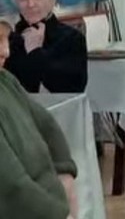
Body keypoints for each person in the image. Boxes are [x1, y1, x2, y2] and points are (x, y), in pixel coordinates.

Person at [0, 38, 79, 219]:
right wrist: (58, 214)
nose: (6, 52)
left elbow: (46, 124)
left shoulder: (5, 80)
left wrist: (65, 172)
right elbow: (11, 185)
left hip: (51, 200)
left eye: (4, 40)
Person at [6, 0, 87, 93]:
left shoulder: (72, 38)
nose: (31, 4)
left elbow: (73, 88)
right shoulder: (9, 41)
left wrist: (36, 53)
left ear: (52, 0)